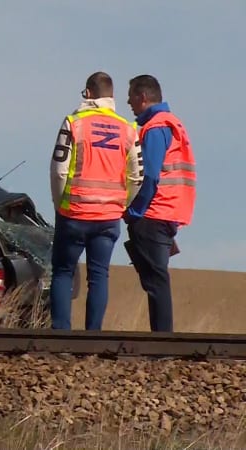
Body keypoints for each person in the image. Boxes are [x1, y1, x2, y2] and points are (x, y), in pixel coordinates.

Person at [49, 71, 142, 330]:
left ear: (88, 94)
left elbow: (59, 169)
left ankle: (60, 334)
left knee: (63, 272)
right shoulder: (127, 129)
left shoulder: (73, 123)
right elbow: (137, 176)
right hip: (108, 216)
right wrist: (122, 205)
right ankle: (93, 337)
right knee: (99, 275)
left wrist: (60, 204)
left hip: (74, 213)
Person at [123, 74, 196, 332]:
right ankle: (163, 340)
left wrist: (134, 211)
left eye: (131, 95)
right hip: (168, 211)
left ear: (143, 97)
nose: (128, 101)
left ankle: (163, 340)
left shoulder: (155, 127)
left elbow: (151, 175)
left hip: (154, 213)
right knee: (156, 280)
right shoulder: (172, 123)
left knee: (156, 281)